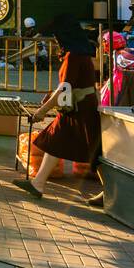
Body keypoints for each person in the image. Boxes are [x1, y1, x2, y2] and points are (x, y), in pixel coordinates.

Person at [14, 13, 101, 201]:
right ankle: (38, 184)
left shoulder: (74, 55)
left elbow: (64, 88)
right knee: (55, 142)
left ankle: (111, 193)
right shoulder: (79, 52)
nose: (55, 40)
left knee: (96, 153)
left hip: (82, 111)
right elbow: (67, 88)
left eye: (57, 36)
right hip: (77, 108)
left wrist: (42, 111)